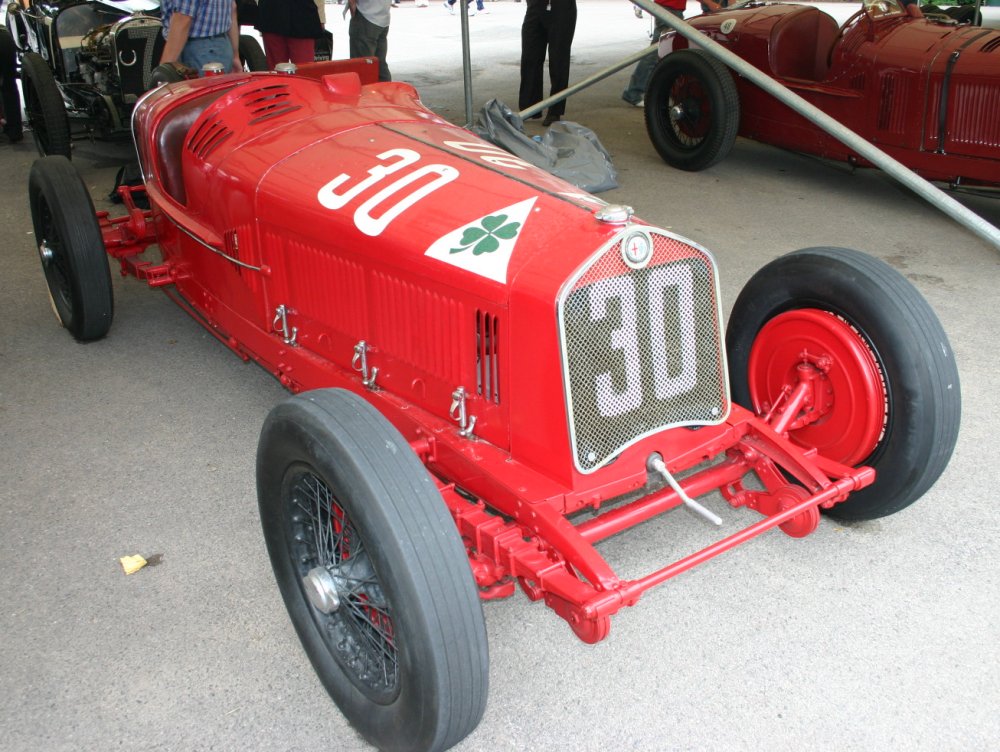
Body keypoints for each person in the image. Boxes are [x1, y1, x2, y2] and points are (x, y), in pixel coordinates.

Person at [518, 0, 577, 126]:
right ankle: (530, 107)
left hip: (562, 8)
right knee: (530, 56)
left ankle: (555, 111)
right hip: (535, 6)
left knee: (558, 61)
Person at [621, 0, 685, 108]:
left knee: (667, 51)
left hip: (670, 8)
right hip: (669, 8)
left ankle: (667, 92)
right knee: (654, 54)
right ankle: (633, 92)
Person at [159, 0, 241, 74]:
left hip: (198, 52)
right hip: (222, 47)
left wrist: (164, 71)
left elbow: (183, 18)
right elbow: (232, 7)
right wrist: (235, 56)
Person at [255, 0, 324, 69]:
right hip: (271, 14)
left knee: (304, 69)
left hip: (302, 16)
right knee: (276, 69)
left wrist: (321, 17)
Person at [348, 0, 392, 82]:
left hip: (366, 16)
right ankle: (385, 91)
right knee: (380, 63)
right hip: (383, 17)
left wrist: (354, 14)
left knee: (362, 64)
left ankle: (366, 92)